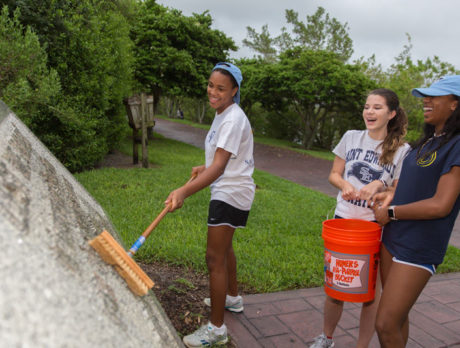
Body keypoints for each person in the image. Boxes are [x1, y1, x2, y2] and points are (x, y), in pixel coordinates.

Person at [310, 88, 410, 348]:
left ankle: (361, 345)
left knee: (369, 294)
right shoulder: (351, 137)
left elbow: (400, 191)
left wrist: (379, 185)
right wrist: (343, 185)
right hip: (343, 221)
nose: (369, 112)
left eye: (377, 107)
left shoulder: (402, 150)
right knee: (336, 286)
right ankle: (326, 338)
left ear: (391, 113)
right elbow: (334, 173)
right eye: (367, 106)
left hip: (374, 227)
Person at [165, 62, 255, 347]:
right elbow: (221, 159)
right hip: (232, 188)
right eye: (211, 85)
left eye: (221, 88)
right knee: (225, 248)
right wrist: (202, 166)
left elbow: (218, 168)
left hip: (230, 192)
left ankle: (216, 330)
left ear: (234, 91)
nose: (213, 92)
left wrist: (183, 191)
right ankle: (232, 298)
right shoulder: (225, 113)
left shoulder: (231, 119)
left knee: (213, 258)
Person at [371, 76, 460, 347]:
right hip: (394, 237)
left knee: (385, 324)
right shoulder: (427, 141)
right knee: (397, 319)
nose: (426, 100)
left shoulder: (457, 145)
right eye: (426, 95)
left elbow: (440, 205)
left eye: (435, 96)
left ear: (455, 104)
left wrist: (393, 212)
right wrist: (389, 195)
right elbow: (412, 186)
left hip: (419, 245)